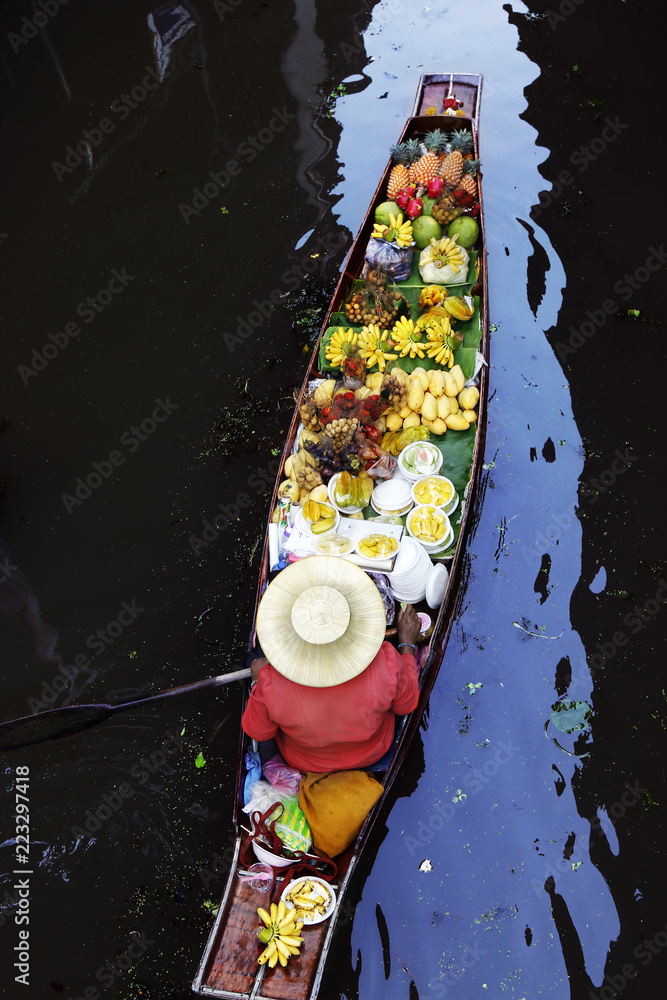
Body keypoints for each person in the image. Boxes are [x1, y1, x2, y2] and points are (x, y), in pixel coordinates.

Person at [241, 555, 422, 773]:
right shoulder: (387, 659)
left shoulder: (270, 682)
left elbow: (258, 732)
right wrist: (406, 645)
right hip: (373, 752)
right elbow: (406, 704)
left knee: (252, 658)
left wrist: (255, 683)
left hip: (308, 762)